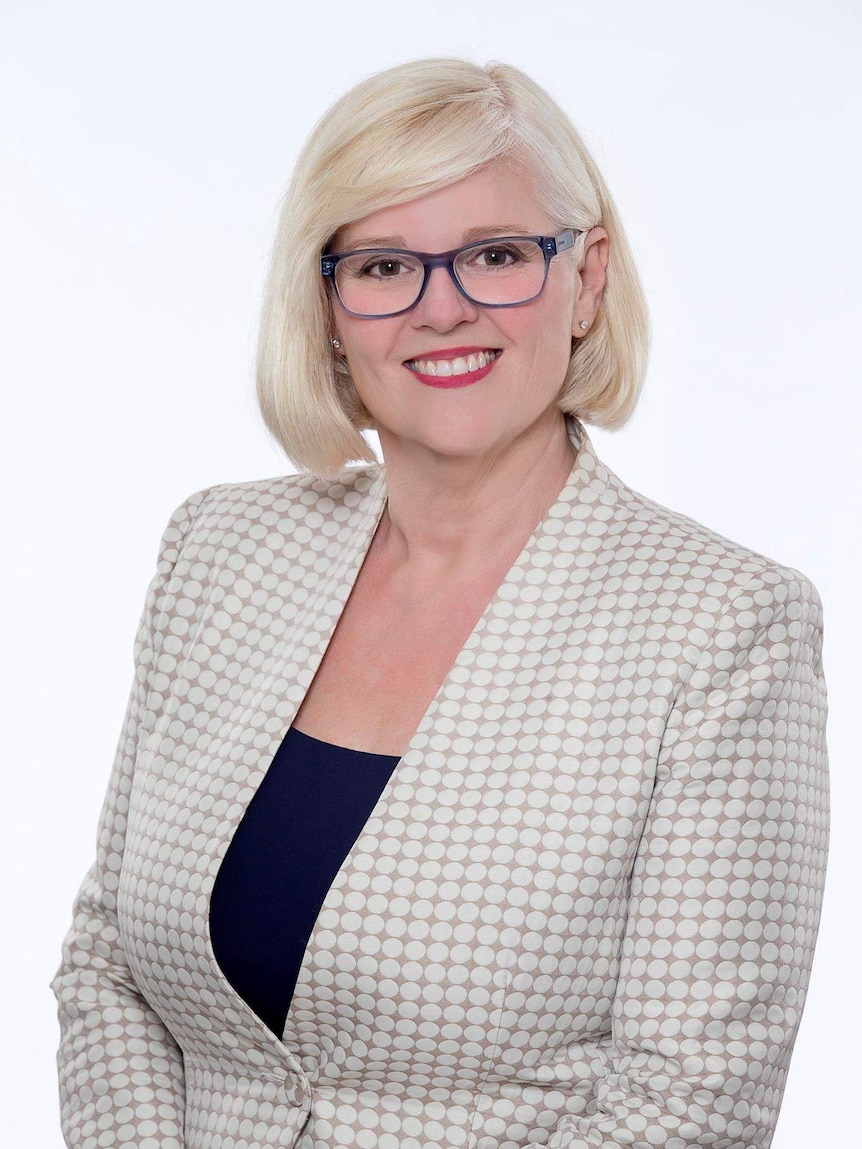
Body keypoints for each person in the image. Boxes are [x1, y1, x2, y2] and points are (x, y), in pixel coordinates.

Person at [49, 56, 829, 1149]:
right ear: (326, 305)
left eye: (498, 255)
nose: (442, 307)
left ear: (587, 277)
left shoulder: (721, 626)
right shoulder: (221, 552)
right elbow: (112, 964)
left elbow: (688, 1100)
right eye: (382, 266)